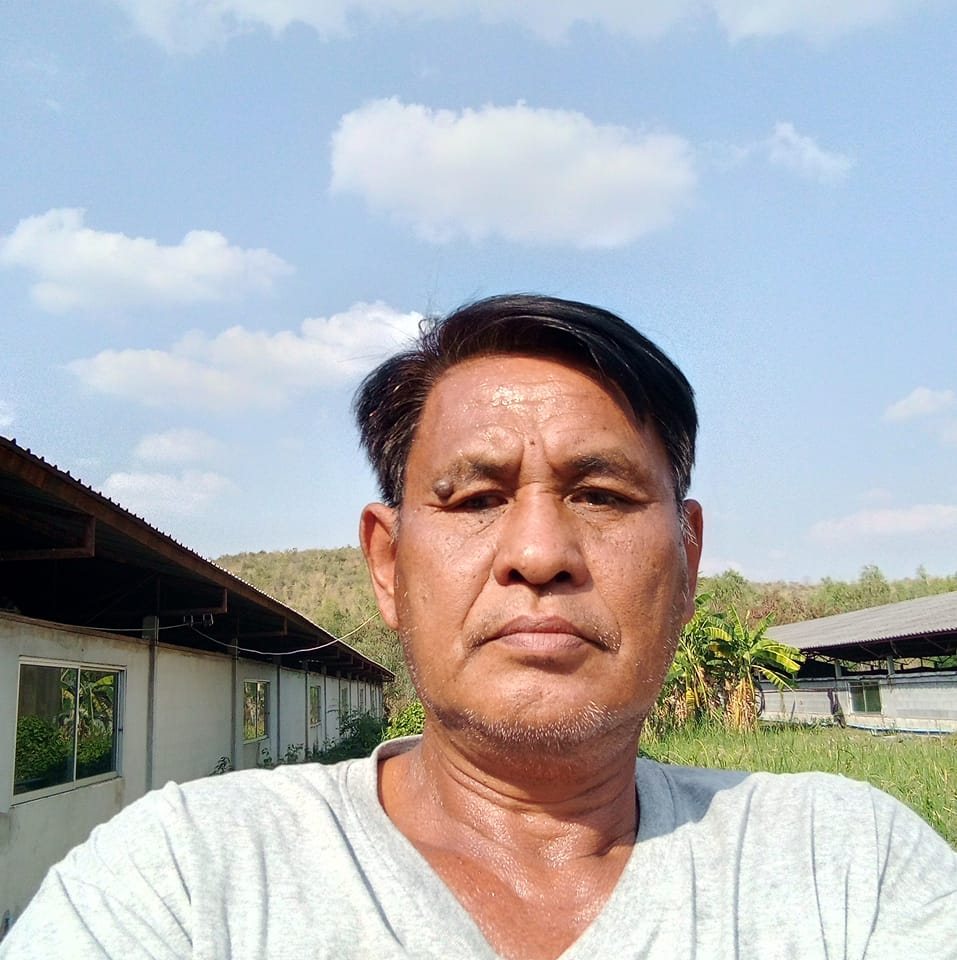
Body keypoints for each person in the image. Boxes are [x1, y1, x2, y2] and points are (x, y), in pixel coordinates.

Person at [2, 294, 955, 959]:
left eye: (601, 493)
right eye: (474, 499)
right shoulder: (186, 876)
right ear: (388, 564)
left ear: (686, 556)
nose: (538, 553)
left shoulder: (846, 866)